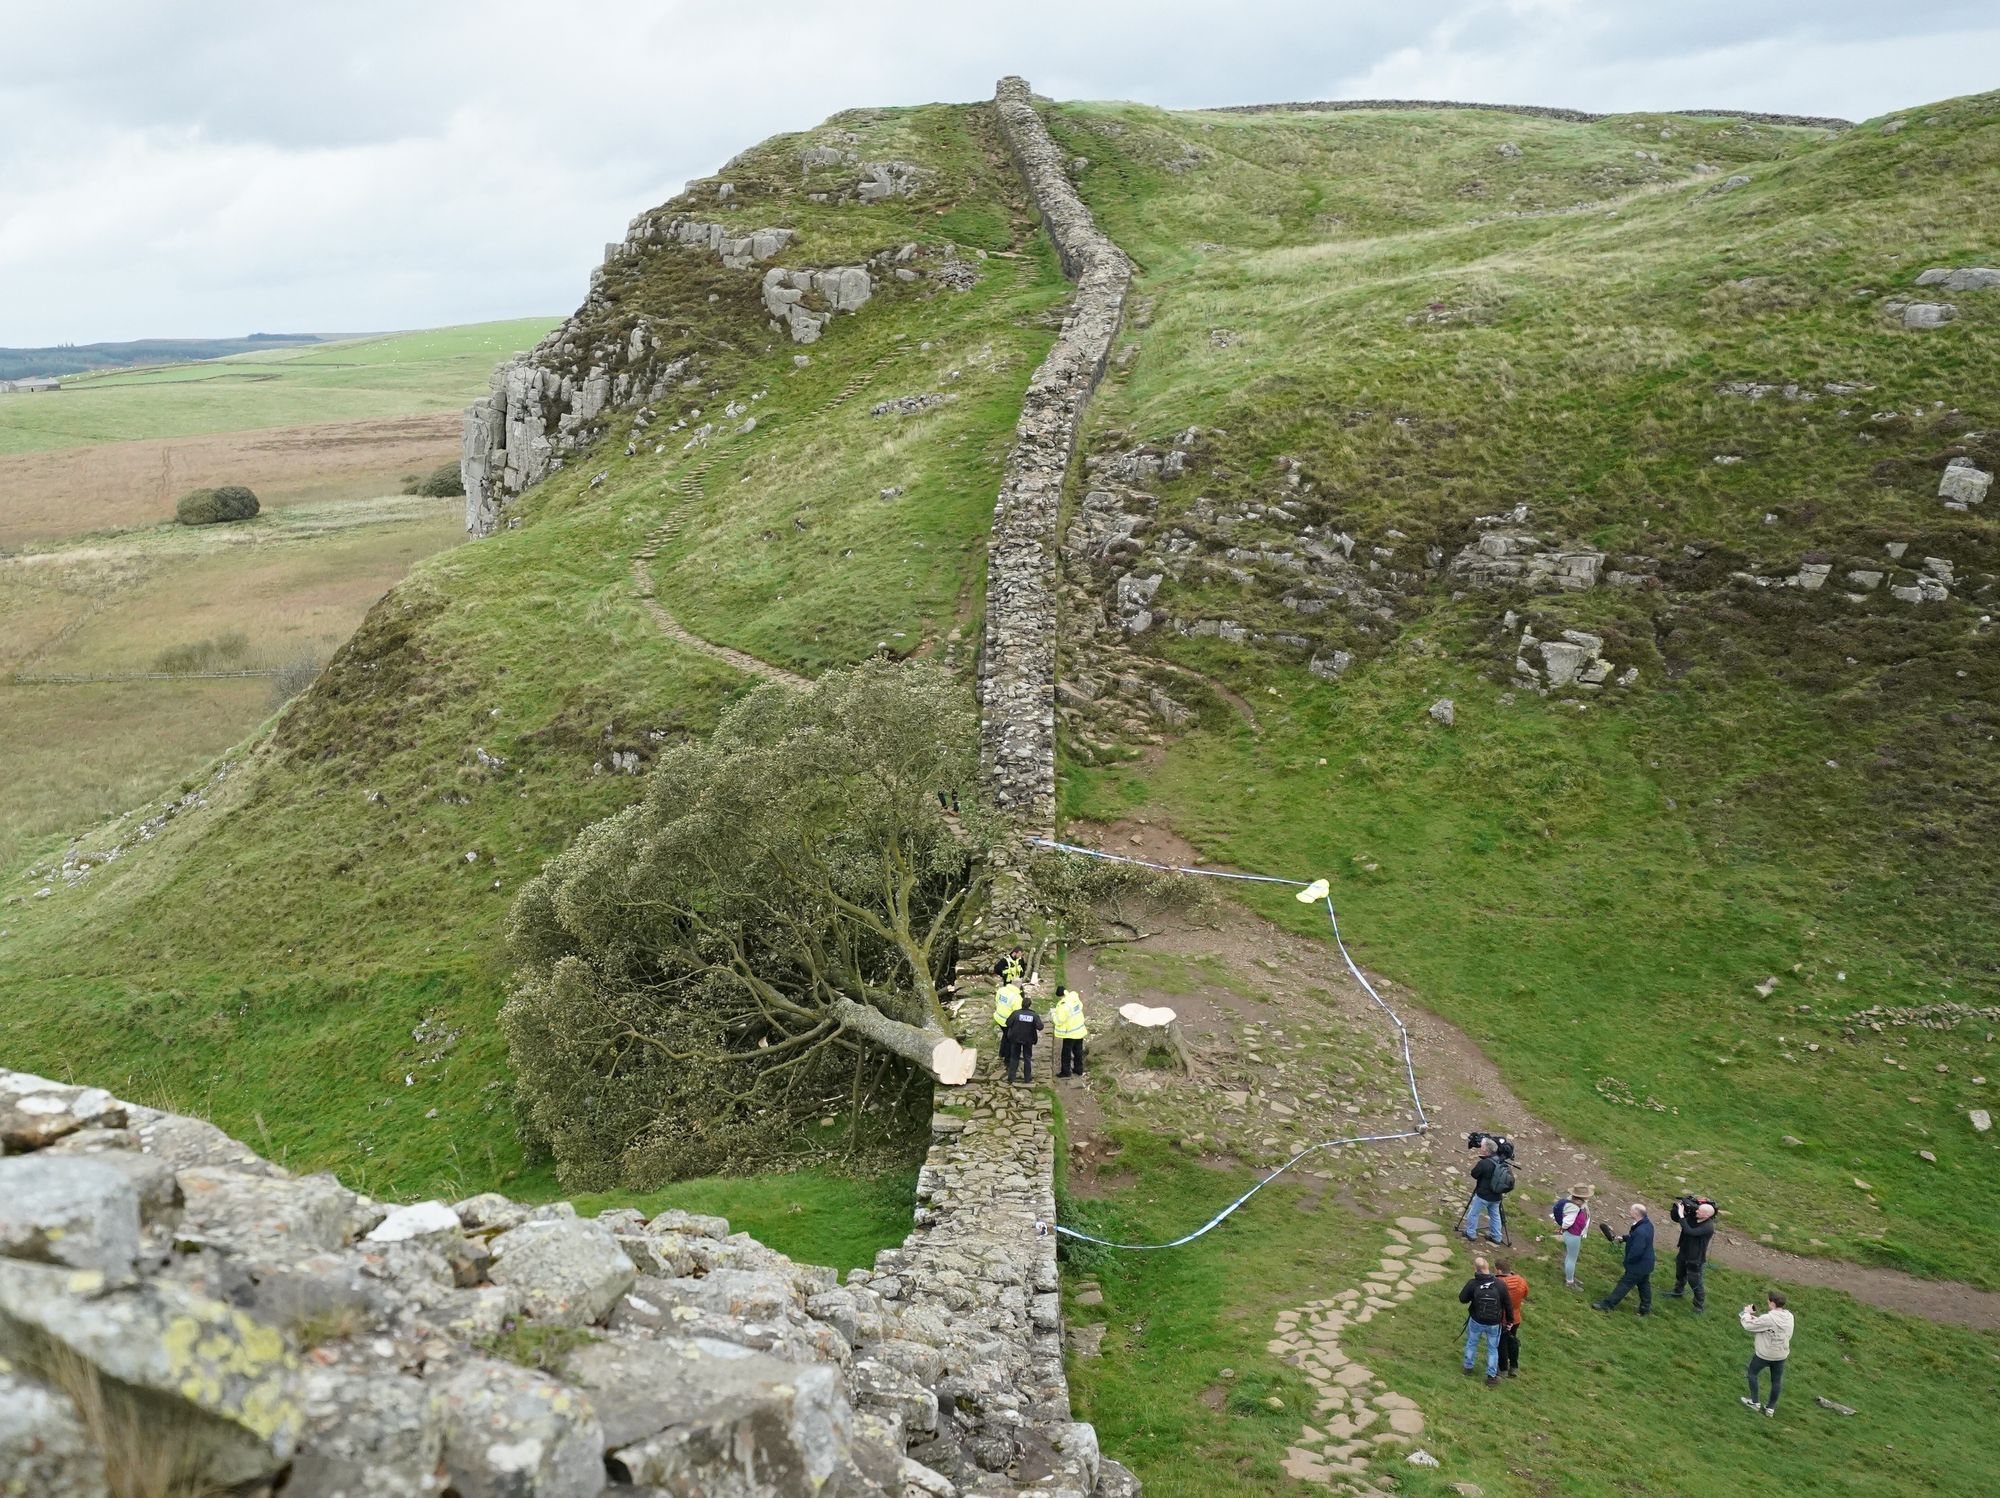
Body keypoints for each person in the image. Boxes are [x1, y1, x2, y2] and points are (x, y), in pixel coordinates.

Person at [1457, 1254, 1512, 1386]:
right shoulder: (1500, 1284)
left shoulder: (1473, 1283)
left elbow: (1462, 1298)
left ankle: (1468, 1367)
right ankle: (1491, 1376)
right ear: (1488, 1267)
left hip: (1476, 1319)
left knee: (1472, 1342)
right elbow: (1508, 1304)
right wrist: (1509, 1321)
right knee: (1493, 1349)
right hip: (1494, 1323)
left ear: (1476, 1269)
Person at [1593, 1203, 1655, 1316]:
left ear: (1635, 1213)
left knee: (1624, 1284)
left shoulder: (1640, 1231)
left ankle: (1607, 1305)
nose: (1629, 1212)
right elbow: (1635, 1238)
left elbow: (1637, 1250)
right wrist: (1624, 1238)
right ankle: (1645, 1309)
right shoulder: (1647, 1224)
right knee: (1644, 1285)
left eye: (1631, 1210)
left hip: (1638, 1265)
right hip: (1647, 1263)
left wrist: (1628, 1261)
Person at [1739, 1291, 1794, 1417]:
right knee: (1776, 1381)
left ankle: (1754, 1403)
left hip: (1764, 1354)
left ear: (1773, 1303)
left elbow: (1748, 1326)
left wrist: (1747, 1314)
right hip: (1781, 1354)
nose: (1767, 1303)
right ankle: (1770, 1409)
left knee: (1752, 1373)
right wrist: (1757, 1320)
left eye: (1768, 1301)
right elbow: (1771, 1327)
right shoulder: (1790, 1317)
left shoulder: (1768, 1318)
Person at [1668, 1197, 1717, 1313]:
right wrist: (1678, 1210)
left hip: (1695, 1258)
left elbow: (1690, 1231)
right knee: (1680, 1273)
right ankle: (1678, 1291)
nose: (1696, 1211)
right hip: (1684, 1251)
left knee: (1695, 1281)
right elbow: (1677, 1219)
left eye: (1700, 1211)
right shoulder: (1694, 1217)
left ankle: (1698, 1305)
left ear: (1706, 1216)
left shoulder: (1708, 1226)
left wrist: (1681, 1216)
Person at [1462, 1138, 1507, 1245]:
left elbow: (1474, 1174)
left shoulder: (1484, 1163)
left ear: (1487, 1151)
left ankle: (1471, 1233)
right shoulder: (1501, 1161)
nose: (1480, 1149)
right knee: (1495, 1216)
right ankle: (1496, 1236)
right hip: (1497, 1196)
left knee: (1473, 1214)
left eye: (1482, 1147)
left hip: (1483, 1195)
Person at [1555, 1184, 1594, 1289]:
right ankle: (1569, 1282)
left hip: (1572, 1234)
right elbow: (1567, 1222)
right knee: (1572, 1258)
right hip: (1573, 1235)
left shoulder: (1575, 1203)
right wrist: (1563, 1228)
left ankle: (1569, 1276)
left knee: (1570, 1256)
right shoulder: (1574, 1207)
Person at [1495, 1259, 1528, 1378]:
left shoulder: (1499, 1282)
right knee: (1512, 1341)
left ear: (1499, 1270)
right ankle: (1513, 1366)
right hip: (1515, 1318)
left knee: (1501, 1344)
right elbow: (1525, 1294)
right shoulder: (1521, 1281)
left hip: (1502, 1318)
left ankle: (1503, 1369)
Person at [1004, 995, 1044, 1084]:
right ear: (1030, 1005)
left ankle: (1011, 1078)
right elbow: (1040, 1027)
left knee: (1014, 1058)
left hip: (1015, 1039)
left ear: (1021, 1004)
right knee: (1027, 1058)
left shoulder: (1015, 1013)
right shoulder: (1034, 1015)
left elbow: (1008, 1023)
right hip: (1028, 1040)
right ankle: (1027, 1078)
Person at [1051, 985, 1088, 1078]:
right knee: (1078, 1051)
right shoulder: (1075, 999)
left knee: (1066, 1053)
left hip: (1070, 1033)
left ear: (1060, 996)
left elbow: (1059, 1020)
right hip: (1080, 1030)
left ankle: (1066, 1071)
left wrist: (1053, 1014)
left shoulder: (1064, 1006)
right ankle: (1079, 1069)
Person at [992, 980, 1024, 1068]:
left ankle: (1001, 1053)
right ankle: (1008, 1059)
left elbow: (997, 1000)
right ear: (1019, 985)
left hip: (998, 1018)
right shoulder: (1017, 997)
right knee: (1010, 1040)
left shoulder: (1001, 990)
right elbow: (1018, 1013)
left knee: (1005, 1035)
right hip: (1008, 1022)